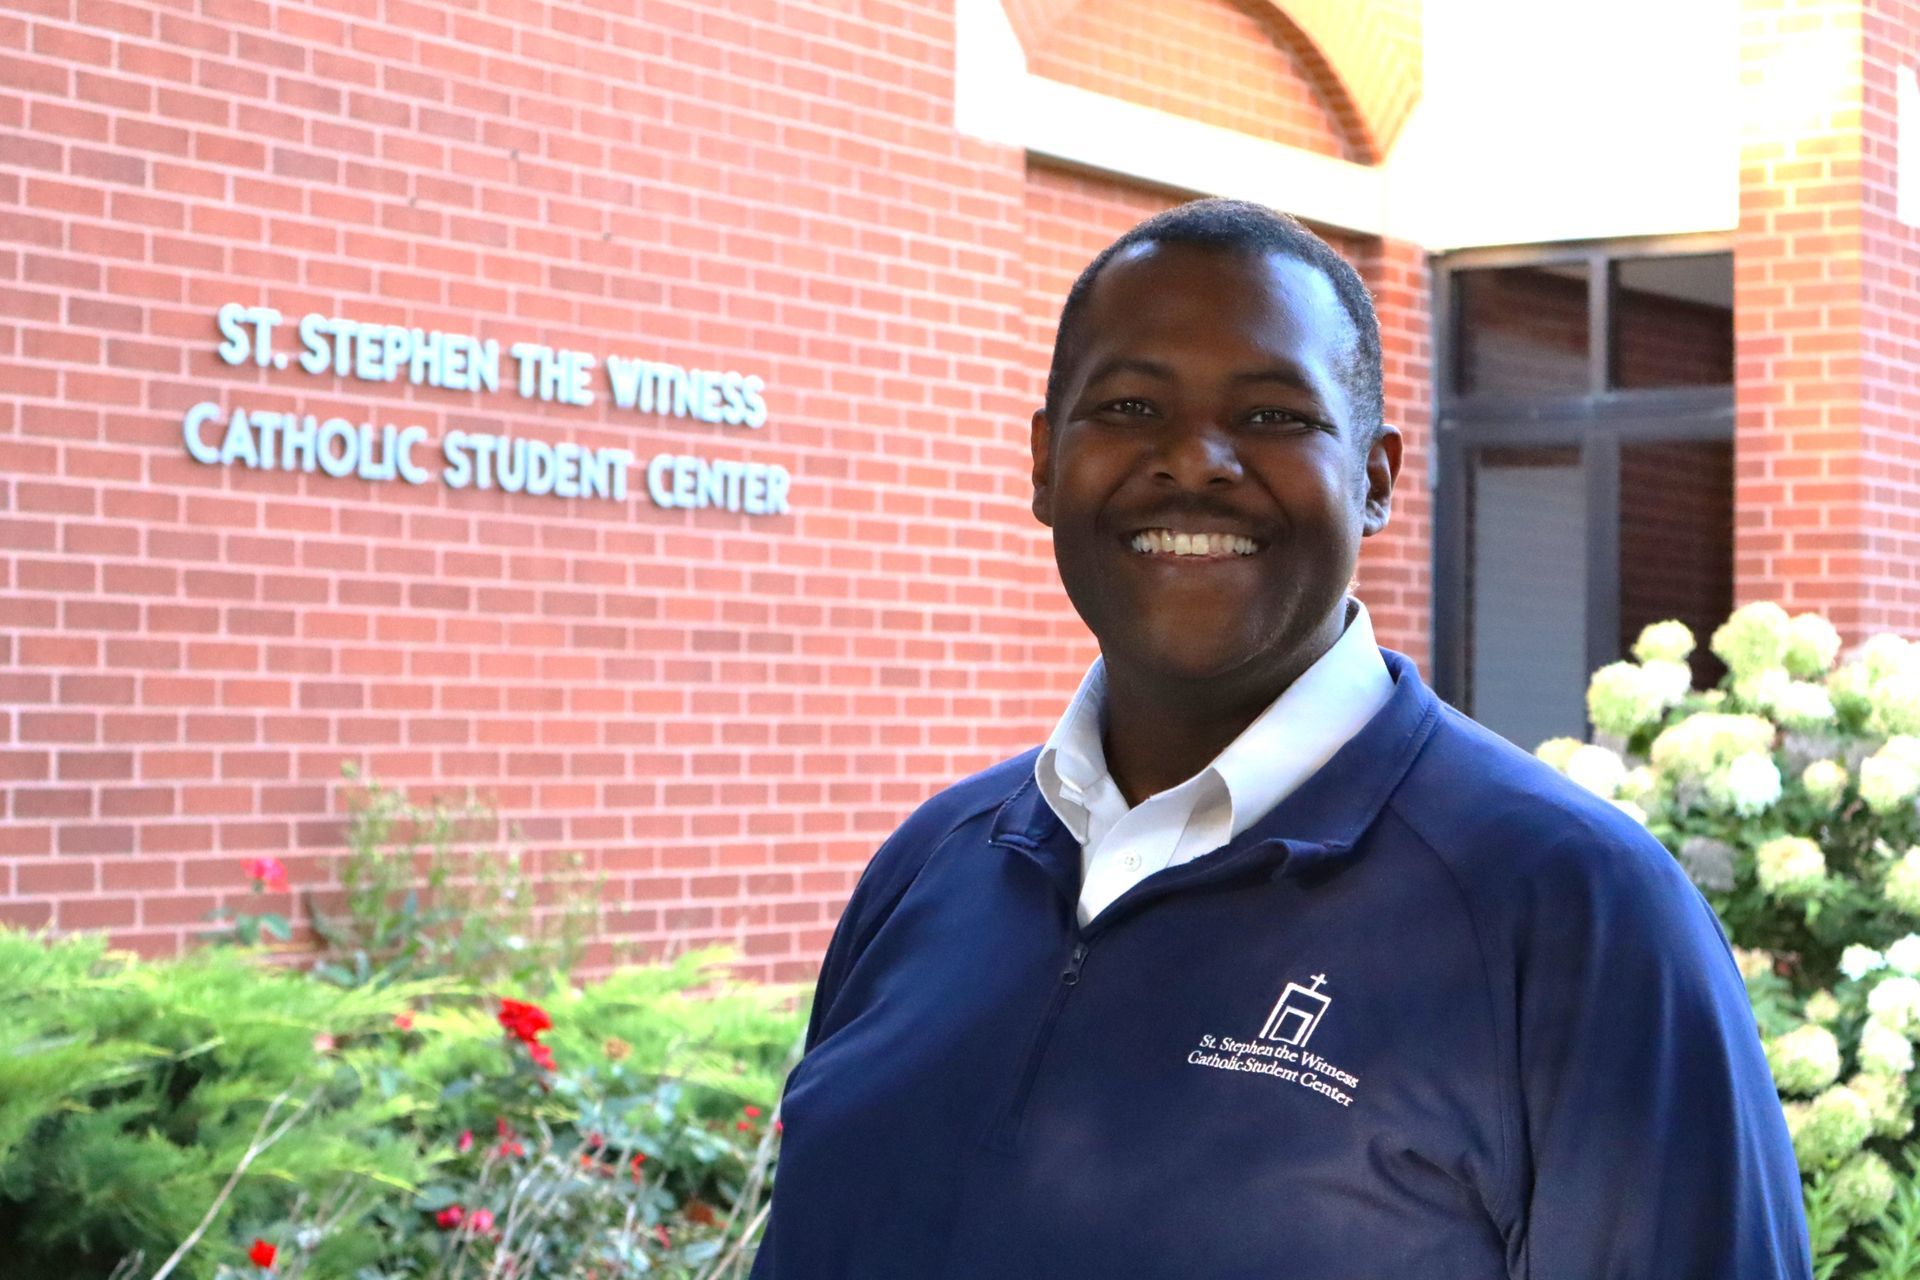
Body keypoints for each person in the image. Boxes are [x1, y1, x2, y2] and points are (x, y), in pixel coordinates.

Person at [750, 199, 1811, 1278]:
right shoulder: (930, 865)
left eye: (1272, 416)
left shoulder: (1574, 910)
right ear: (1042, 462)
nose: (1196, 459)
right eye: (1128, 403)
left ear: (1379, 477)